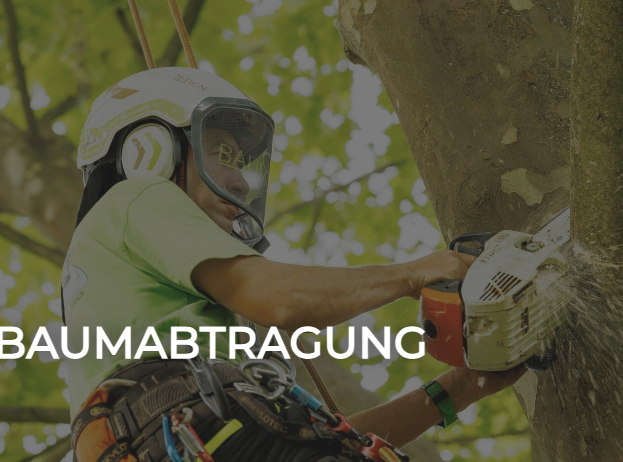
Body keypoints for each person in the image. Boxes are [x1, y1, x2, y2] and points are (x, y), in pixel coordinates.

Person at [63, 67, 526, 462]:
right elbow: (282, 299)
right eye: (223, 155)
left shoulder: (190, 344)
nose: (241, 182)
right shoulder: (138, 196)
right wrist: (419, 272)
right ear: (149, 150)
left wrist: (461, 388)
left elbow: (322, 437)